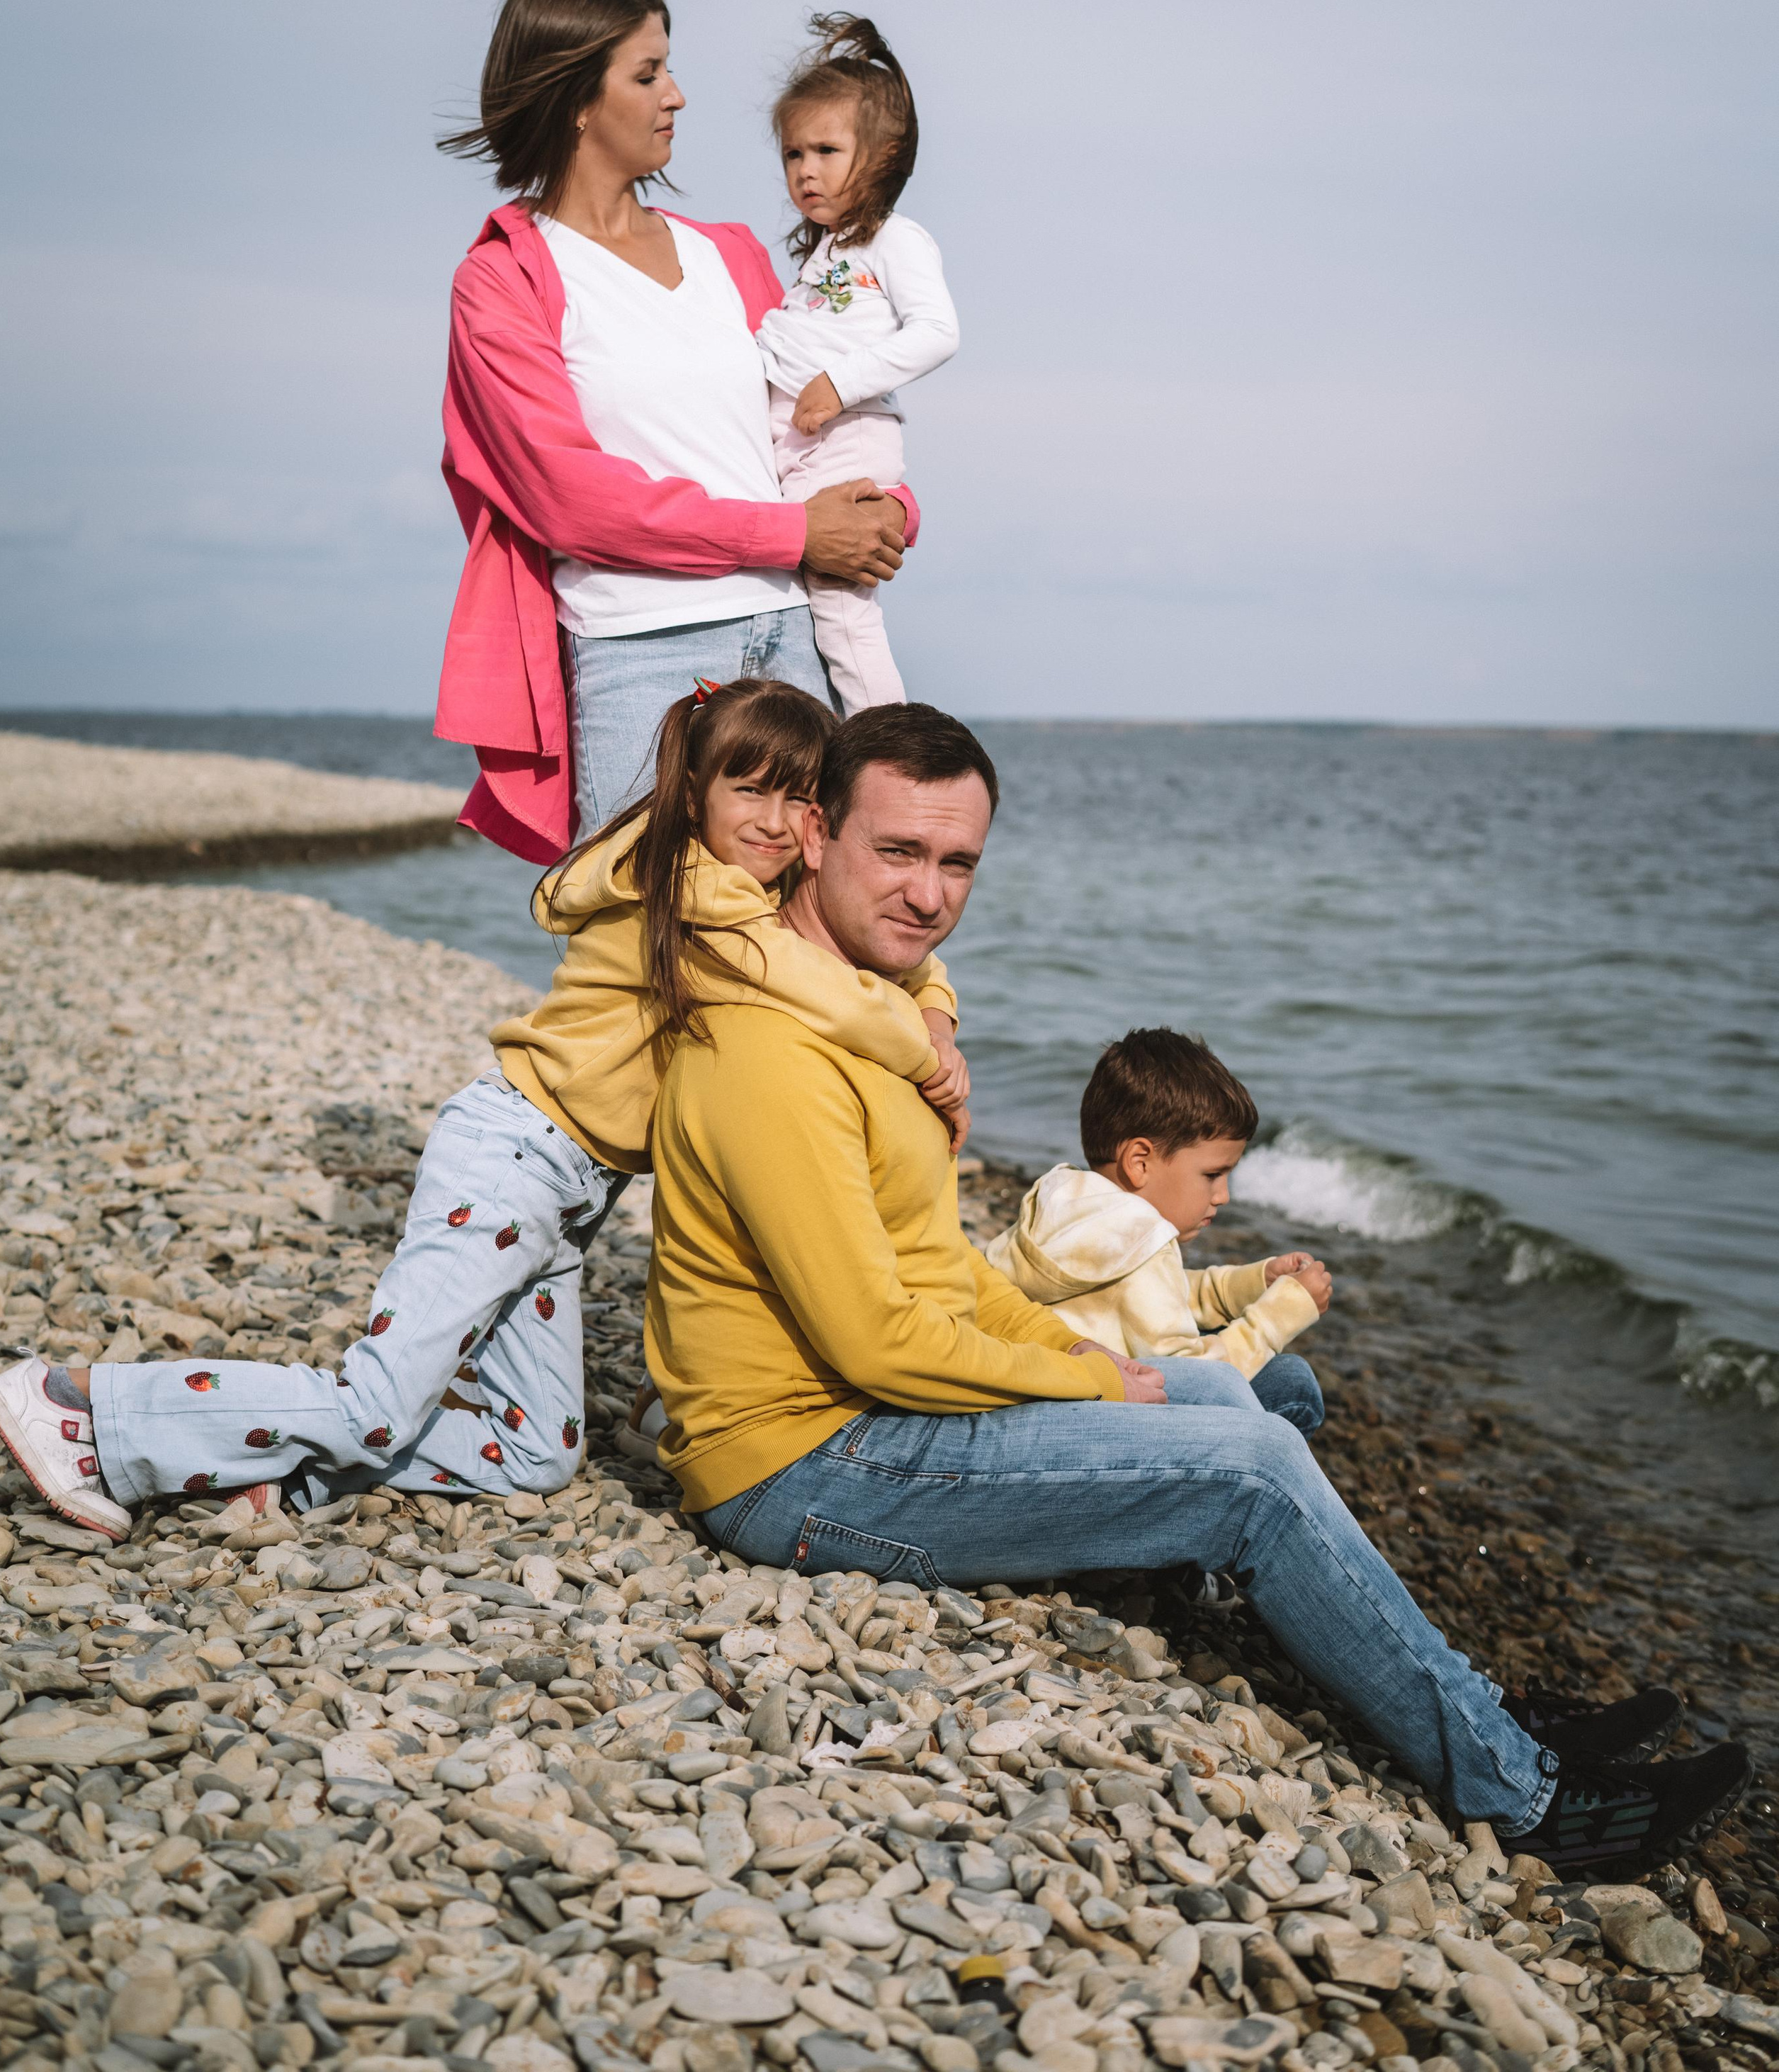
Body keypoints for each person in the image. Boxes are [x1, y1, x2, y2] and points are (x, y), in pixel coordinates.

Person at [644, 700, 1748, 1879]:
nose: (930, 892)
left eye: (957, 859)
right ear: (814, 836)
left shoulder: (872, 1020)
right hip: (800, 1468)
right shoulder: (773, 1054)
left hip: (872, 1421)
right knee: (1255, 1471)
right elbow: (873, 1340)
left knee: (1262, 1391)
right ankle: (1526, 1801)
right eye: (899, 852)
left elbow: (943, 1273)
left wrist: (1111, 1377)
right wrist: (1086, 1372)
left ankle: (1463, 1698)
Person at [0, 682, 968, 1538]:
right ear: (695, 789)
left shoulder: (755, 890)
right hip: (516, 1156)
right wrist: (925, 1059)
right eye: (748, 788)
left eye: (798, 796)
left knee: (532, 1452)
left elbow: (898, 953)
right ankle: (90, 1415)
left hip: (574, 1191)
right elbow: (835, 991)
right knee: (377, 1399)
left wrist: (937, 1009)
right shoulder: (700, 893)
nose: (772, 817)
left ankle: (290, 1470)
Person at [435, 0, 919, 861]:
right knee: (638, 953)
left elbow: (813, 417)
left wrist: (882, 508)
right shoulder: (505, 280)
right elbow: (571, 499)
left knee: (800, 958)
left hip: (794, 643)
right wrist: (795, 536)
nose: (678, 95)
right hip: (640, 658)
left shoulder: (731, 256)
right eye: (648, 73)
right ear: (578, 95)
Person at [755, 16, 959, 714]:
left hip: (847, 436)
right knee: (796, 604)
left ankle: (883, 740)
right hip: (809, 438)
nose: (805, 170)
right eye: (791, 154)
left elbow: (937, 333)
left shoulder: (896, 240)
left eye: (825, 150)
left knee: (843, 613)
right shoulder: (828, 251)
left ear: (882, 154)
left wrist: (838, 386)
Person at [985, 1025, 1331, 1433]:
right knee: (1294, 1389)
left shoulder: (1066, 1202)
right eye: (1213, 1175)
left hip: (1028, 1406)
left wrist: (1255, 1283)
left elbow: (1155, 1295)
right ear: (1140, 1162)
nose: (1223, 1196)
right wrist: (1279, 1316)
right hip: (1093, 1427)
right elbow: (1197, 1382)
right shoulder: (1145, 1243)